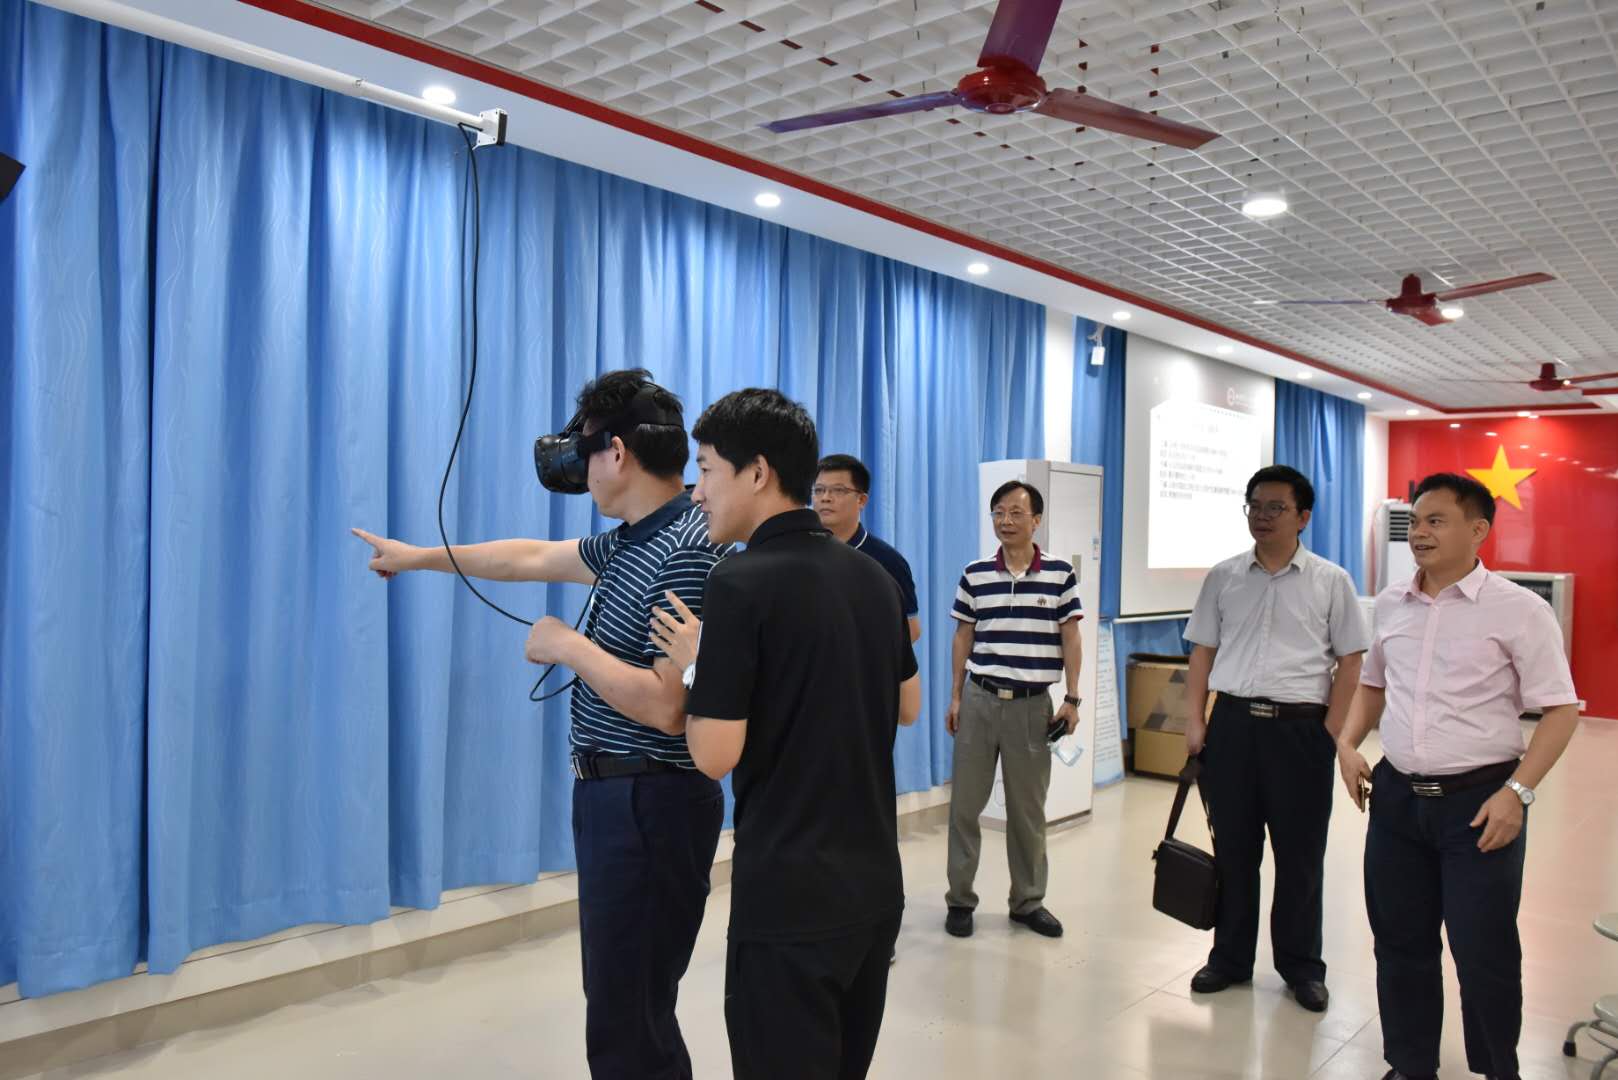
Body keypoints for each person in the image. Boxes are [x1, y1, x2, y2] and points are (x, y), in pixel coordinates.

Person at [351, 369, 729, 1080]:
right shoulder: (631, 541)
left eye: (586, 449)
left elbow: (666, 705)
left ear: (617, 452)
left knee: (630, 1014)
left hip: (652, 800)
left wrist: (566, 646)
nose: (580, 467)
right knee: (624, 1004)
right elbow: (528, 557)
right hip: (618, 799)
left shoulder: (685, 547)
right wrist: (418, 558)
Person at [647, 388, 921, 1080]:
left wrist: (697, 668)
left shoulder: (739, 581)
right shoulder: (876, 579)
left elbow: (714, 755)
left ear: (758, 473)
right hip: (874, 890)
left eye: (707, 470)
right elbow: (907, 705)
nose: (697, 492)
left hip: (789, 899)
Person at [1337, 472, 1580, 1080]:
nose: (1419, 532)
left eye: (1436, 521)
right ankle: (1410, 1063)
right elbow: (1373, 684)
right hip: (1396, 799)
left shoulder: (1519, 610)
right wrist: (1346, 742)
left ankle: (1498, 1069)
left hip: (1479, 804)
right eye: (1416, 521)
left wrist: (1517, 793)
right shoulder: (1391, 602)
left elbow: (1561, 710)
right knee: (1400, 943)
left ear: (1478, 530)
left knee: (1483, 950)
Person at [1181, 465, 1369, 1013]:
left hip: (1300, 732)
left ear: (1303, 516)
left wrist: (1332, 732)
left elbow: (1351, 661)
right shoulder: (1223, 576)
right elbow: (1202, 654)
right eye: (1254, 506)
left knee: (1300, 857)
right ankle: (1230, 959)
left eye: (1275, 508)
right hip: (1233, 727)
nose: (1261, 517)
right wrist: (1195, 721)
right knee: (1234, 851)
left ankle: (1301, 967)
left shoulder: (1331, 580)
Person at [943, 479, 1081, 941]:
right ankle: (960, 900)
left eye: (1016, 512)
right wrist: (956, 696)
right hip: (980, 700)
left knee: (1027, 812)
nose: (1006, 521)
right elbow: (963, 636)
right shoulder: (975, 572)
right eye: (999, 512)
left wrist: (1073, 698)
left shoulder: (1060, 574)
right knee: (965, 808)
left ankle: (1027, 902)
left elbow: (1071, 638)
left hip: (1032, 707)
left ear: (1036, 519)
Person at [814, 453, 922, 643]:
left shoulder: (887, 561)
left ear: (862, 500)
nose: (825, 498)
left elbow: (911, 629)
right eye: (819, 490)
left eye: (838, 490)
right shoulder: (802, 552)